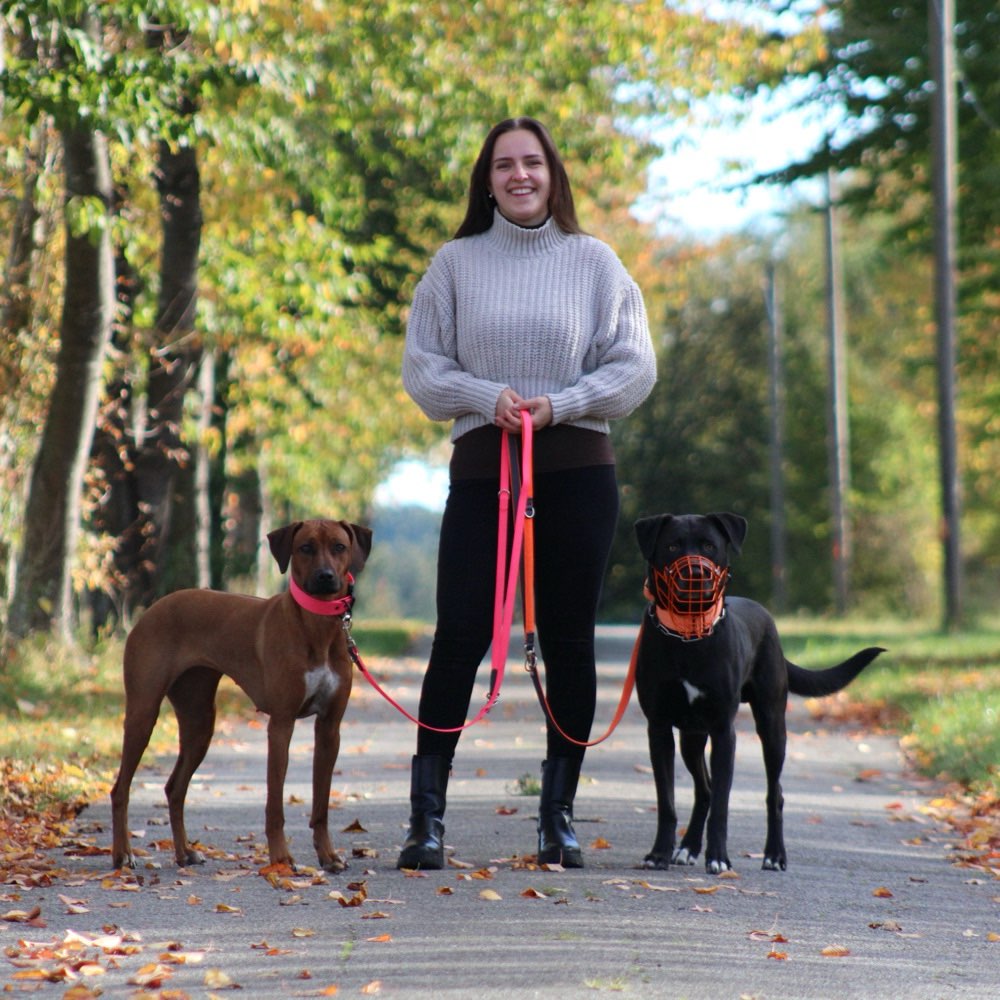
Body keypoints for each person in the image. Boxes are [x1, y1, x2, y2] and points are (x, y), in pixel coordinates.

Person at [398, 116, 656, 870]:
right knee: (461, 637)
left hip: (578, 470)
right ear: (487, 179)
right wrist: (489, 395)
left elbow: (634, 366)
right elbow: (424, 371)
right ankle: (427, 821)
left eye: (533, 163)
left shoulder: (595, 262)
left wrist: (561, 404)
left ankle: (558, 817)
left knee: (569, 641)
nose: (520, 176)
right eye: (505, 165)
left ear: (553, 174)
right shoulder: (454, 265)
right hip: (485, 470)